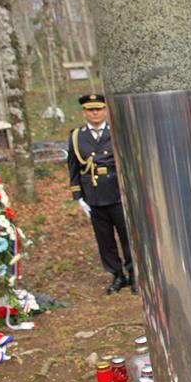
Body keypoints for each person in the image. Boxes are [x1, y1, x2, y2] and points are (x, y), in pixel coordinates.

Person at [68, 94, 135, 294]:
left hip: (117, 192)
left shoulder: (116, 132)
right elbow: (72, 167)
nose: (95, 113)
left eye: (98, 109)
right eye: (91, 110)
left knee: (127, 237)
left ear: (105, 111)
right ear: (84, 113)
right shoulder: (76, 136)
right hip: (94, 195)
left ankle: (134, 275)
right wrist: (78, 196)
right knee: (104, 240)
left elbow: (129, 162)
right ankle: (117, 275)